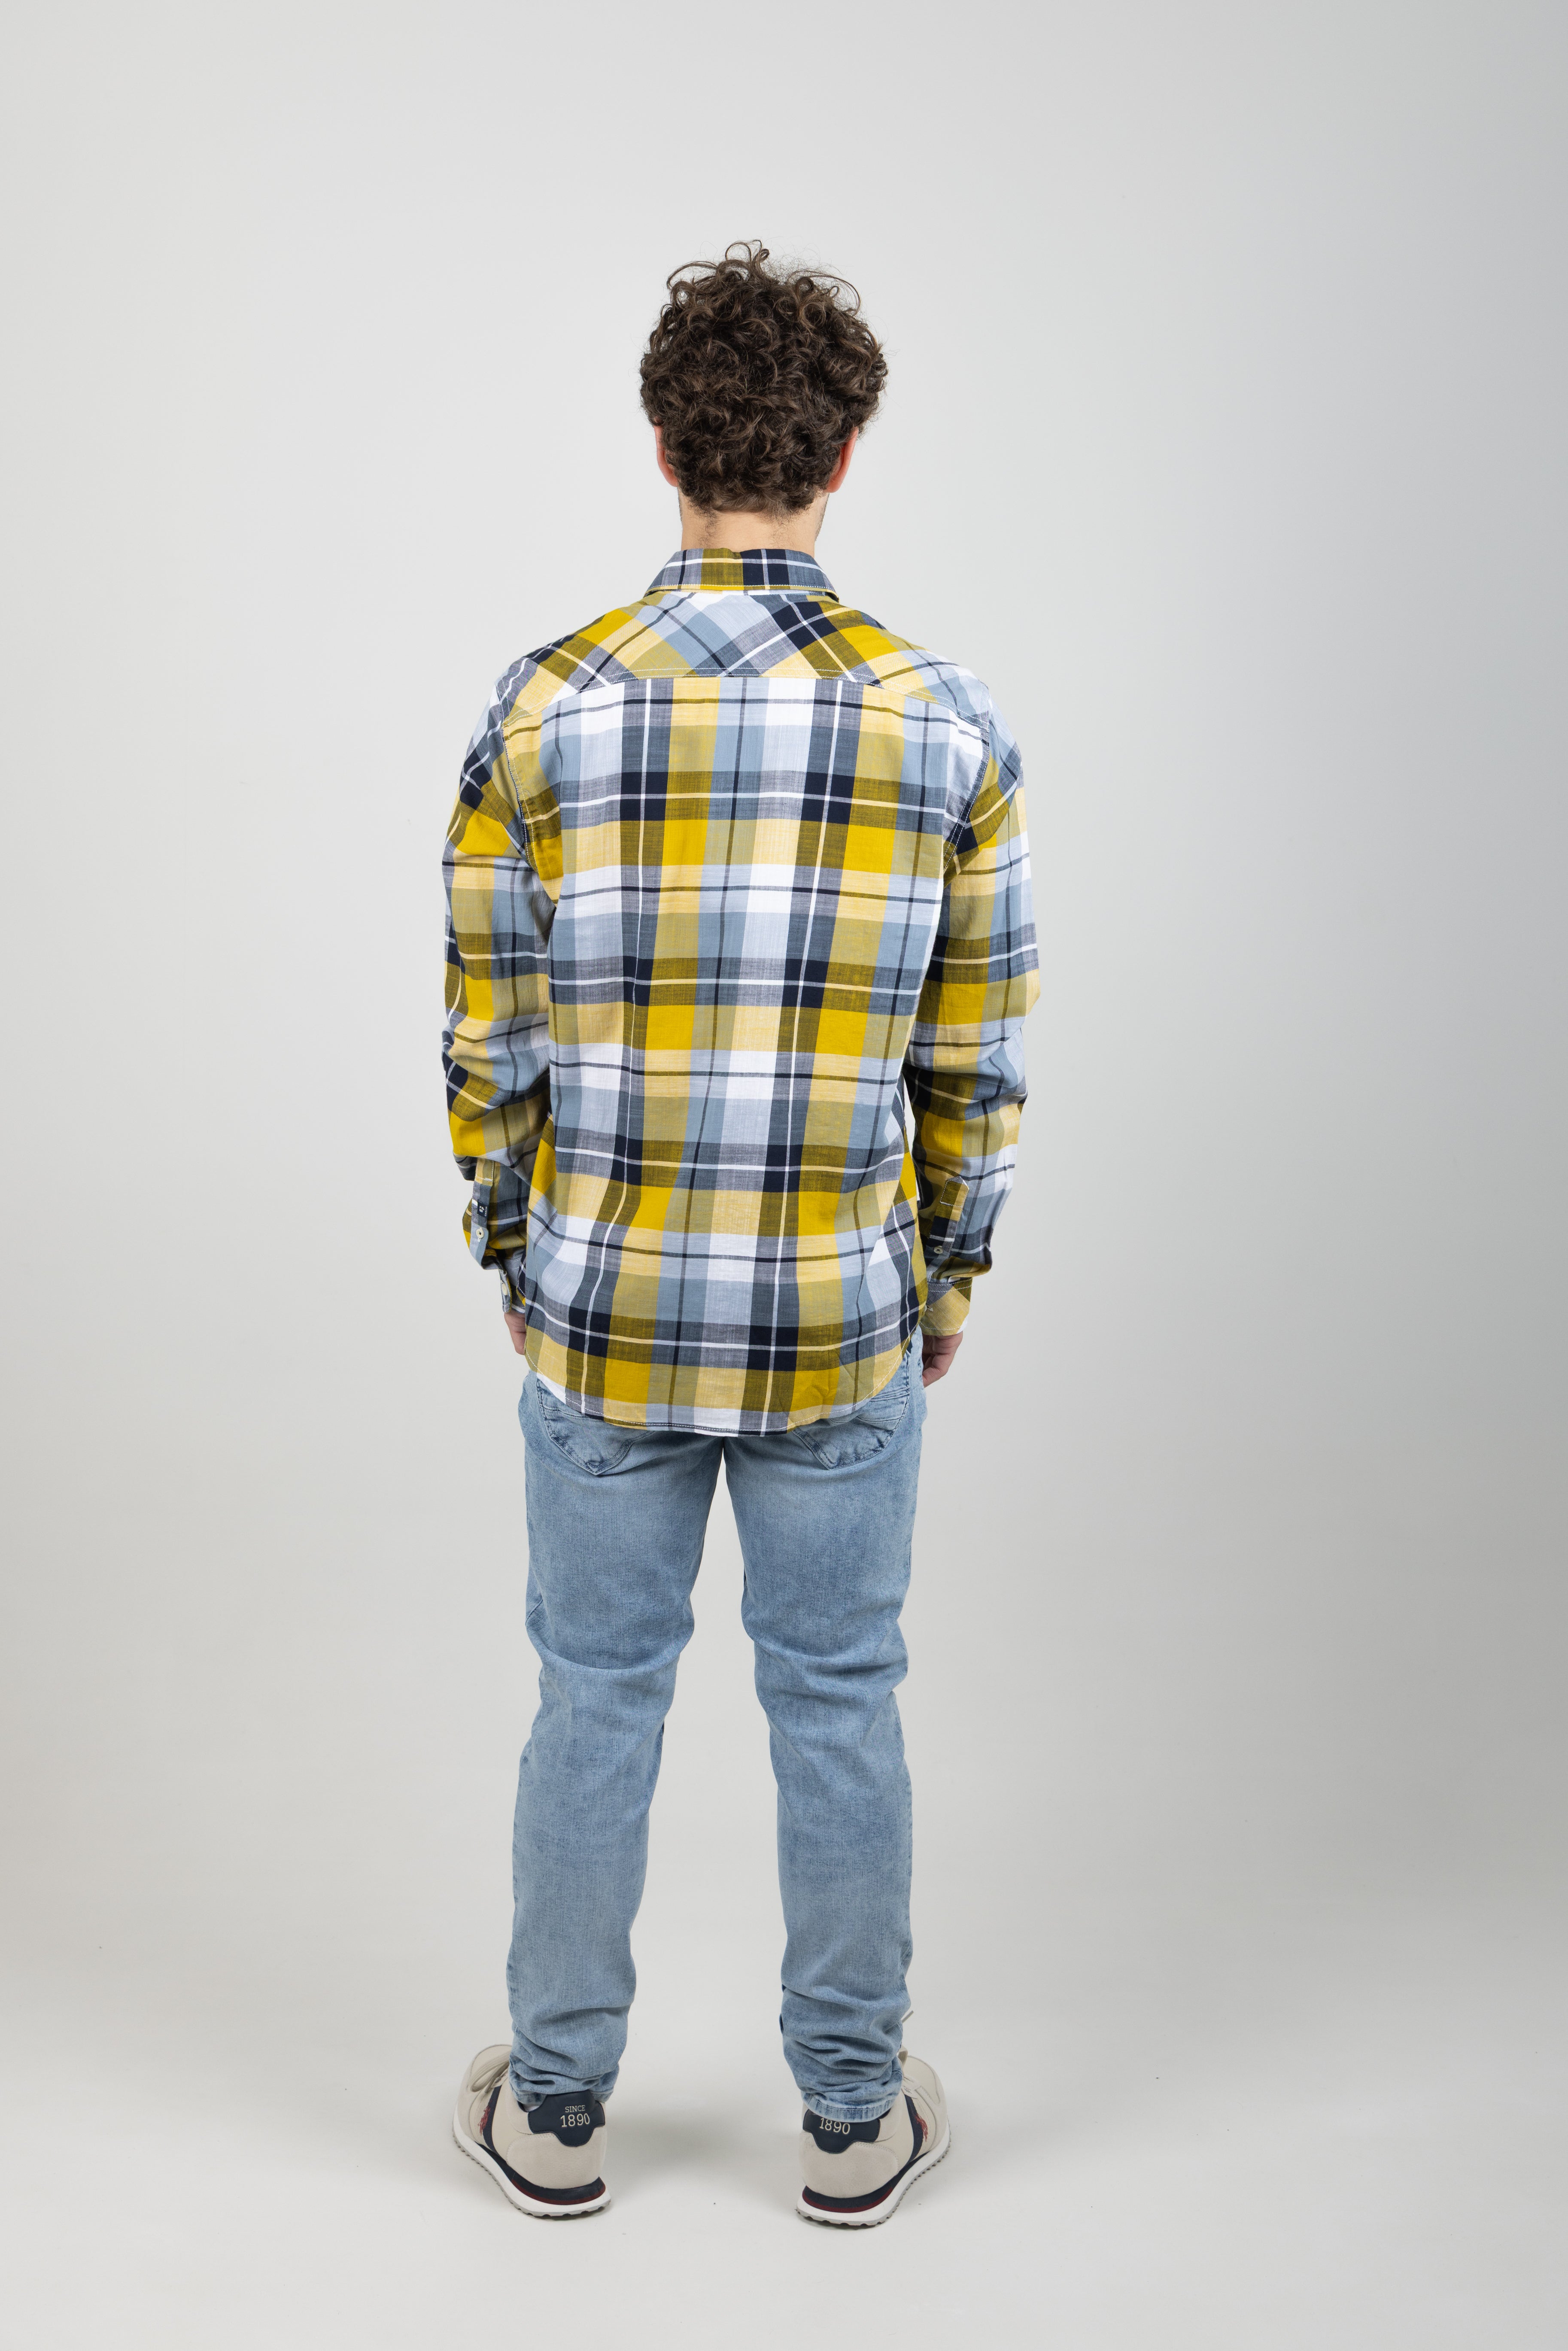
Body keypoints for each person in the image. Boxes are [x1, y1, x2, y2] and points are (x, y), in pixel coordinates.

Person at [442, 242, 1039, 2228]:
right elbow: (974, 1057)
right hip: (838, 1318)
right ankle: (853, 2123)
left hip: (601, 1312)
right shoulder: (942, 722)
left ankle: (555, 2110)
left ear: (660, 445)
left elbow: (489, 1034)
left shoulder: (547, 705)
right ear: (844, 457)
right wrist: (943, 1274)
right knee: (840, 1698)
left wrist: (519, 1246)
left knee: (593, 1696)